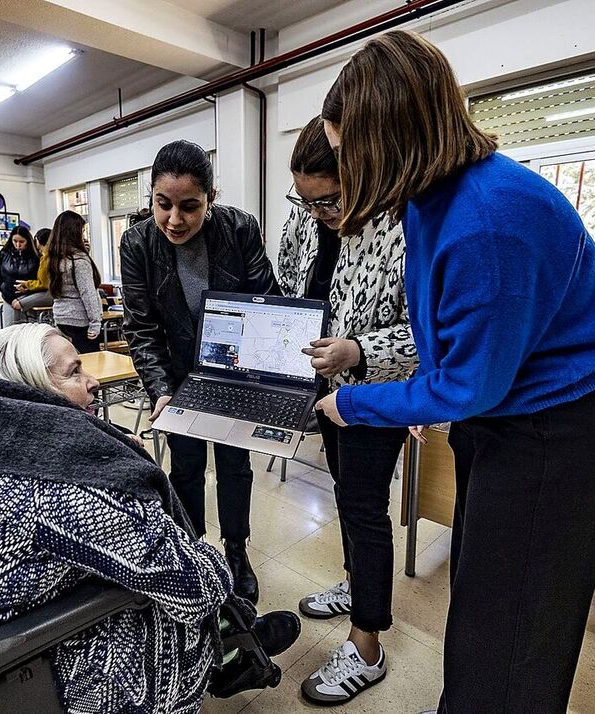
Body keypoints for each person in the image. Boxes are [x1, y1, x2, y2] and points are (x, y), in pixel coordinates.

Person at [314, 31, 595, 713]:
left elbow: (468, 383)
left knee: (511, 634)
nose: (345, 181)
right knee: (484, 614)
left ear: (386, 141)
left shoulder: (485, 219)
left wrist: (360, 405)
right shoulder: (433, 199)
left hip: (558, 432)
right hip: (508, 419)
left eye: (349, 156)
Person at [0, 324, 301, 713]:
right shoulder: (56, 489)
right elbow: (197, 585)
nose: (94, 382)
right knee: (184, 586)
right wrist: (122, 471)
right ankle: (221, 658)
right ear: (35, 388)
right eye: (75, 373)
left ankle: (229, 641)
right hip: (5, 672)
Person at [277, 116, 418, 704]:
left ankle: (368, 645)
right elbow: (287, 278)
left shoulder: (404, 226)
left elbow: (429, 335)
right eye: (306, 202)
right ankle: (359, 584)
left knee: (364, 507)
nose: (317, 215)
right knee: (344, 494)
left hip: (373, 394)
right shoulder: (307, 219)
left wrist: (358, 349)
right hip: (325, 390)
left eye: (329, 201)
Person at [120, 140, 279, 605]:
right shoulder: (137, 242)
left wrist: (265, 379)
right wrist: (160, 390)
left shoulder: (239, 229)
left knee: (235, 465)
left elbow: (264, 302)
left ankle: (235, 551)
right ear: (150, 198)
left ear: (212, 198)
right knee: (185, 468)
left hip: (232, 372)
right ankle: (191, 552)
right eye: (162, 205)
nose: (174, 220)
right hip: (175, 377)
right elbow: (141, 327)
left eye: (190, 207)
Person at [40, 210, 103, 353]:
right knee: (91, 366)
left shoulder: (53, 258)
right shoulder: (79, 260)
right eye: (82, 231)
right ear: (75, 233)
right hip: (80, 321)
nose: (84, 235)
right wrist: (95, 322)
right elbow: (88, 292)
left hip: (61, 318)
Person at [0, 226, 39, 327]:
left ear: (28, 241)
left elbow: (39, 279)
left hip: (28, 298)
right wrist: (4, 290)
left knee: (27, 331)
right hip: (8, 297)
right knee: (10, 330)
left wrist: (28, 290)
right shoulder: (4, 253)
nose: (18, 245)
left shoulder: (36, 256)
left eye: (22, 242)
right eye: (15, 241)